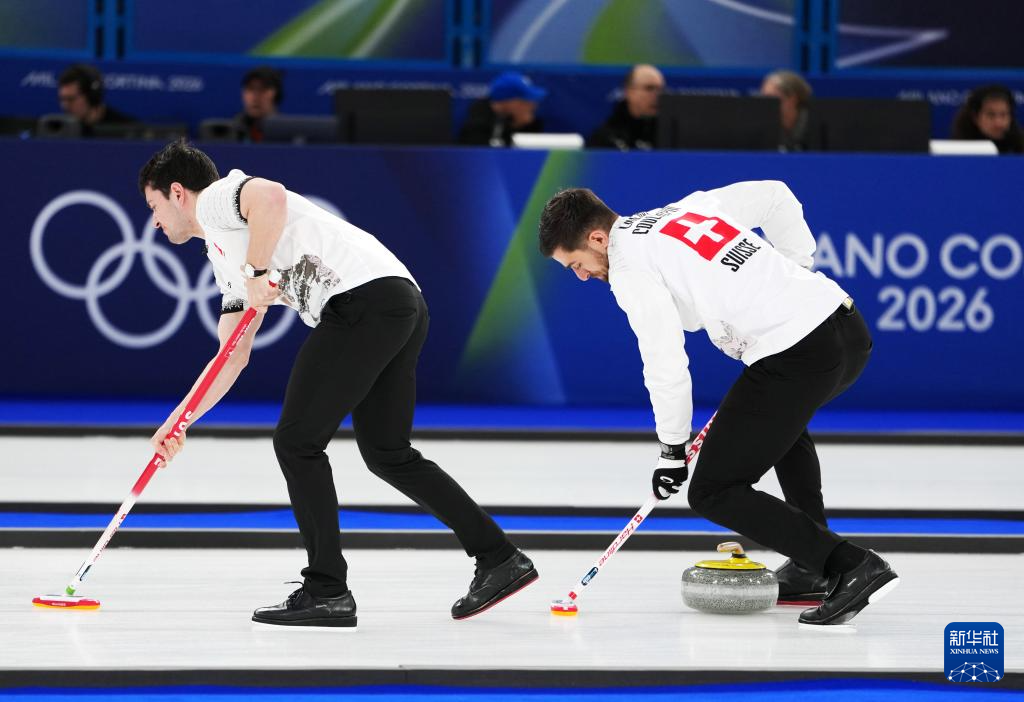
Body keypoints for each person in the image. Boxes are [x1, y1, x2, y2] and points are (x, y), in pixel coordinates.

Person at [138, 140, 537, 627]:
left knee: (296, 441)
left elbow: (269, 195)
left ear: (178, 193)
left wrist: (258, 271)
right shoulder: (222, 254)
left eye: (154, 206)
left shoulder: (215, 201)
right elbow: (232, 355)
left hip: (362, 302)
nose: (154, 222)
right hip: (400, 302)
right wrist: (180, 420)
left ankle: (326, 589)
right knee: (388, 453)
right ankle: (499, 557)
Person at [537, 182, 899, 626]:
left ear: (597, 239)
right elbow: (776, 195)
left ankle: (852, 565)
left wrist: (672, 450)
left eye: (577, 264)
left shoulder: (630, 267)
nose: (581, 276)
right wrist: (797, 269)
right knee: (783, 430)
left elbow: (665, 362)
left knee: (713, 490)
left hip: (799, 354)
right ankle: (812, 563)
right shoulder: (685, 208)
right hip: (846, 331)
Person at [587, 64, 664, 151]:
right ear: (629, 91)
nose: (658, 95)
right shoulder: (605, 139)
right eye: (649, 88)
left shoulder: (669, 136)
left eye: (660, 89)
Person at [458, 71, 545, 147]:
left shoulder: (527, 121)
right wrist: (514, 127)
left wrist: (522, 126)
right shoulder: (477, 124)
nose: (533, 105)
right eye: (525, 101)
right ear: (508, 102)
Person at [57, 64, 137, 135]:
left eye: (71, 99)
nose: (64, 106)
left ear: (92, 96)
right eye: (62, 99)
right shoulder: (60, 131)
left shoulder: (127, 131)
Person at [951, 84, 1023, 154]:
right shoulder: (958, 150)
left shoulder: (1020, 146)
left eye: (1003, 115)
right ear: (975, 117)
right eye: (991, 115)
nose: (998, 123)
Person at [759, 70, 812, 152]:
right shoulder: (762, 124)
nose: (765, 103)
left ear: (792, 98)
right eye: (763, 97)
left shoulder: (813, 122)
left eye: (771, 98)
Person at [234, 66, 283, 143]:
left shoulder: (286, 133)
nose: (255, 97)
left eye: (263, 89)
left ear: (276, 94)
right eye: (250, 89)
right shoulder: (233, 131)